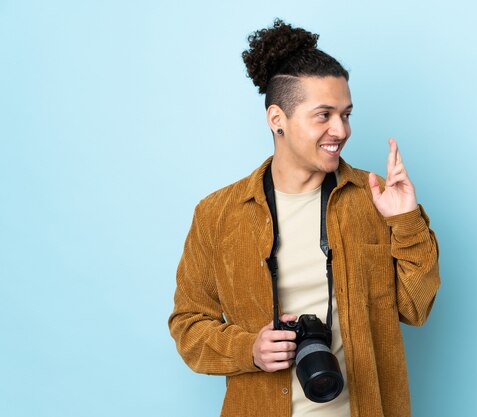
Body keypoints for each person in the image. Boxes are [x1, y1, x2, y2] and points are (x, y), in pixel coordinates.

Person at [168, 19, 440, 417]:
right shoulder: (217, 215)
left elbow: (416, 309)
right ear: (277, 118)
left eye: (346, 114)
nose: (341, 129)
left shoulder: (376, 197)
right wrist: (249, 349)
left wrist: (407, 222)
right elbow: (187, 325)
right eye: (324, 115)